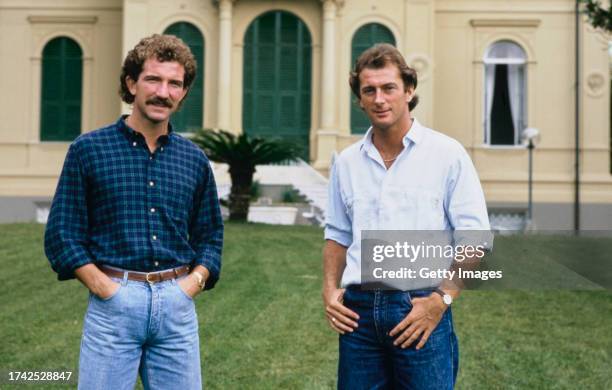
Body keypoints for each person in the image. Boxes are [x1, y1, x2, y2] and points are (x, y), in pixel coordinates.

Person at [44, 34, 223, 390]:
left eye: (175, 83)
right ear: (131, 83)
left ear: (184, 92)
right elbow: (63, 233)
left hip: (177, 307)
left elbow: (210, 236)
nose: (164, 92)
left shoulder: (195, 160)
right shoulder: (89, 150)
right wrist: (105, 288)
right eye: (153, 79)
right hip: (114, 307)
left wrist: (192, 284)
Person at [322, 43, 491, 389]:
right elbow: (338, 235)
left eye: (389, 88)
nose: (379, 99)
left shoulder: (447, 154)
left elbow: (475, 239)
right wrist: (328, 291)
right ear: (359, 98)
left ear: (409, 90)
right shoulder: (347, 163)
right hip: (359, 316)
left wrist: (440, 300)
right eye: (369, 90)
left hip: (419, 306)